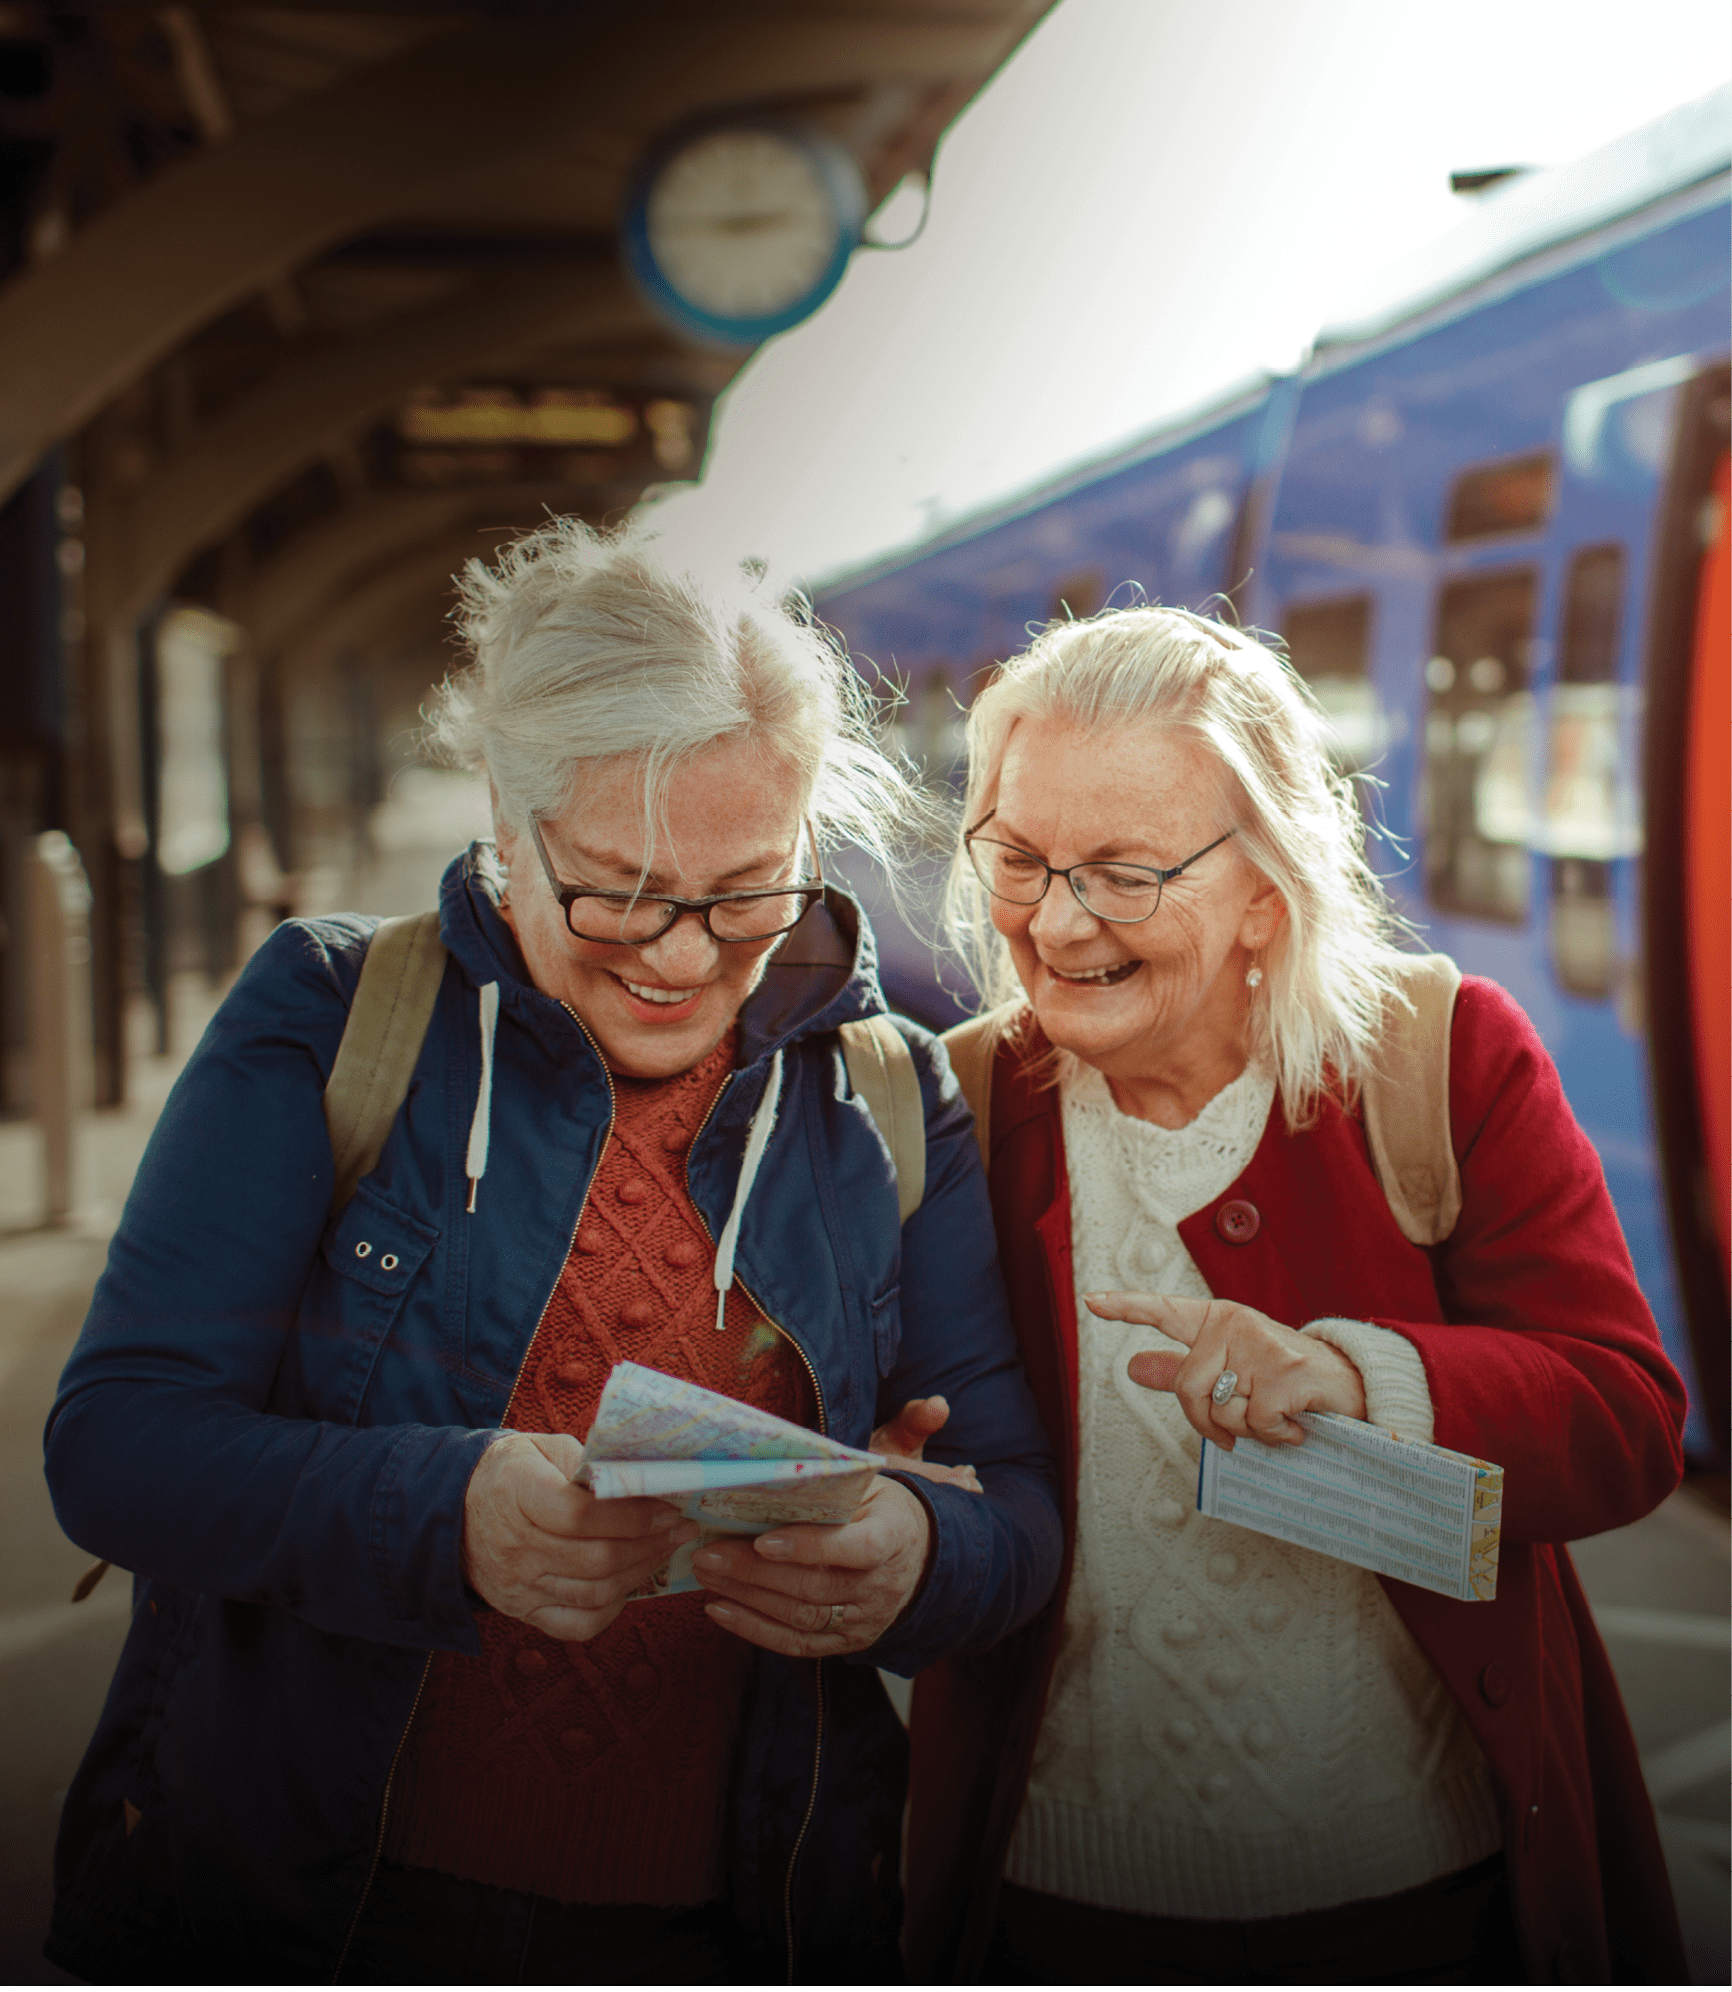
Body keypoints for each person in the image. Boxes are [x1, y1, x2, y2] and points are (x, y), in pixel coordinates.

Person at [44, 523, 1061, 1986]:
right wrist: (444, 1510)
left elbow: (1018, 1510)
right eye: (617, 889)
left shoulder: (888, 1100)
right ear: (506, 830)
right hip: (312, 1917)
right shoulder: (335, 1019)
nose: (686, 957)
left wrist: (919, 1556)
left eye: (747, 890)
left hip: (741, 1927)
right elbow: (118, 1444)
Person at [901, 604, 1688, 1987]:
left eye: (1124, 873)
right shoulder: (956, 1106)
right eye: (1020, 858)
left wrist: (1360, 1379)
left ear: (1267, 886)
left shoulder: (1438, 1062)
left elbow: (1626, 1418)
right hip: (1049, 1904)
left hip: (1414, 1898)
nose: (1056, 920)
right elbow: (916, 1499)